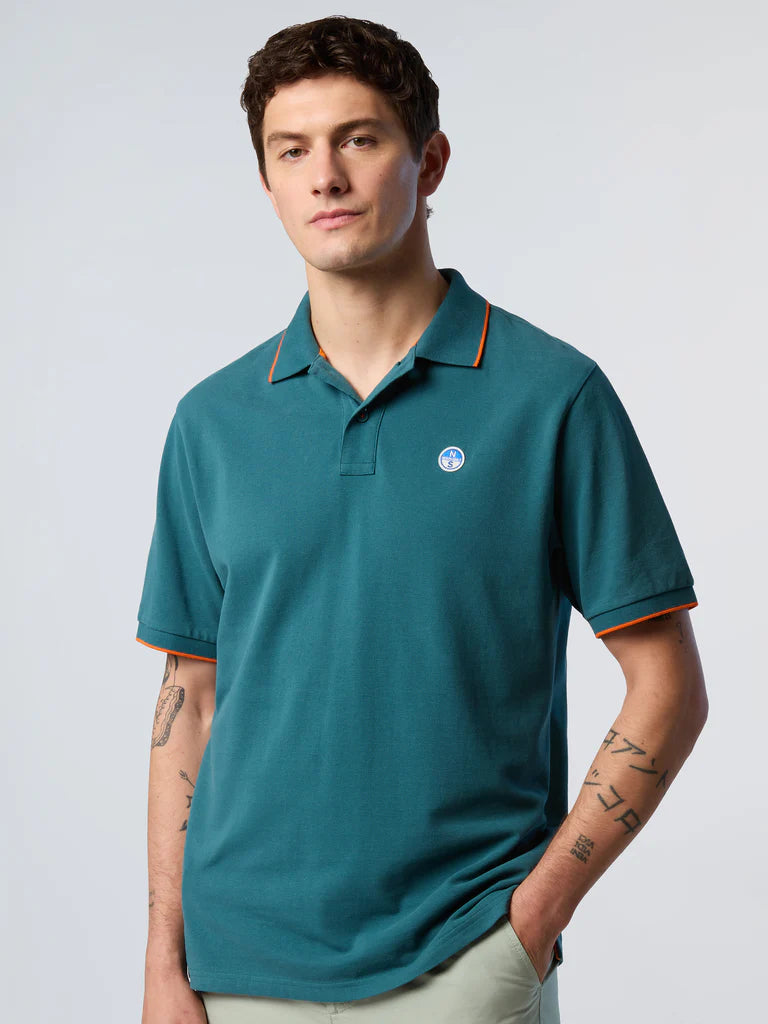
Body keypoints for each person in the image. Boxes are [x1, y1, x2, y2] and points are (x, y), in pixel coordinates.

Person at [137, 15, 708, 1024]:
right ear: (266, 180)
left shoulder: (550, 396)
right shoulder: (213, 421)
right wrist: (162, 960)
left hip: (462, 959)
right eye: (291, 151)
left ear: (429, 160)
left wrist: (533, 920)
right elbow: (191, 697)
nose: (325, 177)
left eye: (358, 139)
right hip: (237, 970)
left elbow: (668, 684)